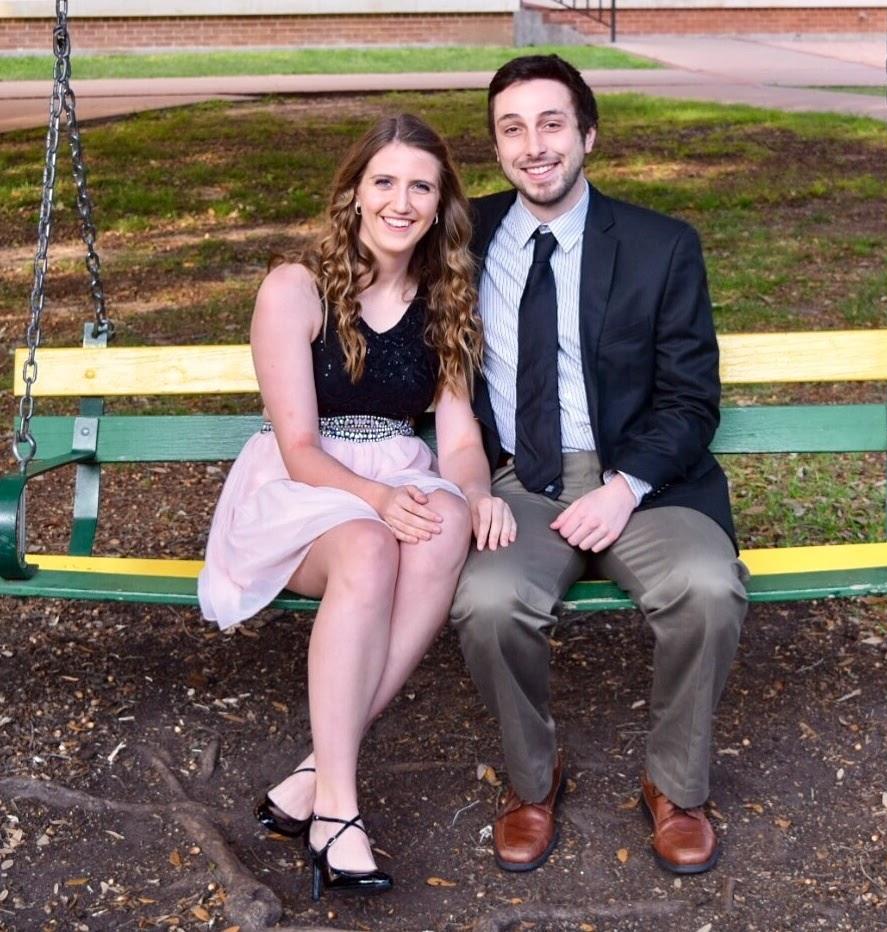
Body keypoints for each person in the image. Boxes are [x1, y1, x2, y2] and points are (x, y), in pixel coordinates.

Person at [198, 113, 516, 900]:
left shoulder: (445, 297)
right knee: (373, 545)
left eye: (421, 186)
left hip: (397, 472)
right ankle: (339, 807)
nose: (401, 202)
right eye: (384, 182)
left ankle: (313, 775)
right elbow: (299, 445)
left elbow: (458, 434)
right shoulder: (295, 287)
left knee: (441, 527)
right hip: (302, 486)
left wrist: (475, 492)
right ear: (354, 192)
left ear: (441, 204)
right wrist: (375, 498)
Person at [451, 55, 749, 876]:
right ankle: (531, 779)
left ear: (587, 134)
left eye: (551, 124)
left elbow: (691, 399)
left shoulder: (661, 247)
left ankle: (676, 786)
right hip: (520, 484)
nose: (533, 145)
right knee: (486, 598)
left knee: (708, 587)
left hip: (644, 485)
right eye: (512, 129)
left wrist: (624, 489)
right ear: (497, 147)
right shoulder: (459, 240)